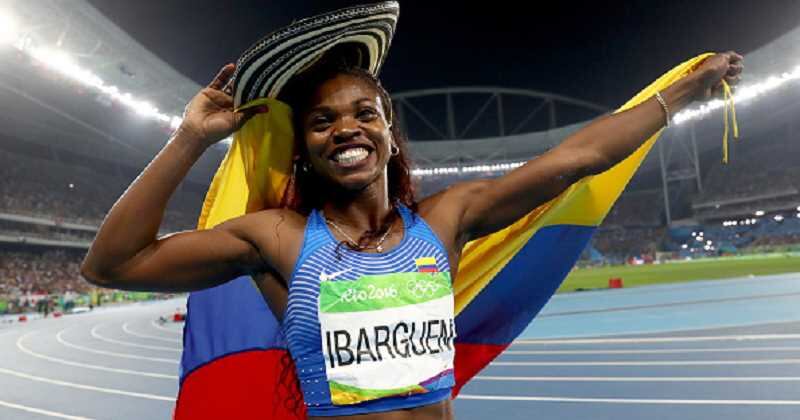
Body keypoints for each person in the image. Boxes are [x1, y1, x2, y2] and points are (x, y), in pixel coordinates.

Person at [80, 12, 742, 420]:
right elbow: (113, 264)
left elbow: (576, 158)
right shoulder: (277, 237)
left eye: (365, 113)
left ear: (391, 134)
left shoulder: (447, 218)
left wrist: (683, 89)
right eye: (323, 121)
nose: (347, 128)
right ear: (305, 149)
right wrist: (191, 137)